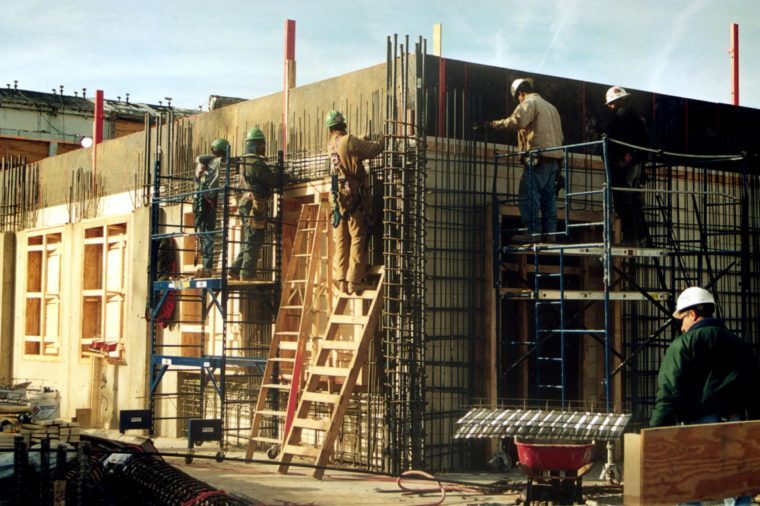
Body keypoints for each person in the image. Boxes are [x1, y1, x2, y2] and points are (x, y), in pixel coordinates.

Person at [651, 287, 760, 427]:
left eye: (682, 320)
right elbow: (755, 390)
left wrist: (657, 432)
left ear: (692, 314)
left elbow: (669, 392)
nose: (682, 327)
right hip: (737, 425)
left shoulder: (683, 344)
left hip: (699, 427)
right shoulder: (741, 344)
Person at [487, 78, 564, 243]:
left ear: (521, 93)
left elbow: (516, 121)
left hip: (537, 160)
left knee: (528, 196)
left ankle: (533, 233)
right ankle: (551, 235)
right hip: (554, 162)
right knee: (548, 199)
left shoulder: (530, 102)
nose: (519, 100)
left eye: (518, 97)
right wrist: (560, 167)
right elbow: (560, 138)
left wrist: (492, 125)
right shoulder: (553, 108)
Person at [325, 110, 384, 295]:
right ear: (343, 125)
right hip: (352, 196)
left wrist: (360, 139)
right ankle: (355, 281)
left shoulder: (331, 144)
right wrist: (384, 138)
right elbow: (373, 150)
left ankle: (342, 279)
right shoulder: (349, 141)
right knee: (358, 237)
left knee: (341, 239)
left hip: (337, 197)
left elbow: (348, 145)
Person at [604, 86, 649, 246]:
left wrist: (624, 158)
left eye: (612, 103)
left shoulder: (621, 118)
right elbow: (642, 141)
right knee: (634, 200)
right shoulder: (636, 117)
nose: (610, 106)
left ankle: (631, 237)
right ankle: (641, 237)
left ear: (619, 101)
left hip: (625, 166)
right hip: (635, 163)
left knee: (624, 200)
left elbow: (620, 141)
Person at [229, 128, 274, 281]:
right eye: (262, 144)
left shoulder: (245, 161)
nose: (264, 147)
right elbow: (271, 179)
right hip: (254, 204)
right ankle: (247, 273)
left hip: (246, 202)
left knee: (250, 237)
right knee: (255, 238)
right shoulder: (255, 163)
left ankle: (236, 268)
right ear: (254, 145)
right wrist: (285, 177)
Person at [193, 138, 227, 277]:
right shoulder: (216, 162)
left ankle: (206, 267)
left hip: (201, 202)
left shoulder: (204, 162)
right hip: (207, 203)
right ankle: (207, 267)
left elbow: (198, 159)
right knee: (210, 234)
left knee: (205, 234)